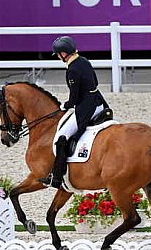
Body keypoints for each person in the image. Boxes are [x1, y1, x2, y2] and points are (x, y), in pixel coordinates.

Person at [39, 36, 109, 189]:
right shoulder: (84, 61)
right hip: (98, 102)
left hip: (86, 107)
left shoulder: (72, 70)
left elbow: (75, 97)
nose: (58, 57)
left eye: (58, 54)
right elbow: (95, 82)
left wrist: (66, 105)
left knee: (61, 137)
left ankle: (57, 177)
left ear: (63, 53)